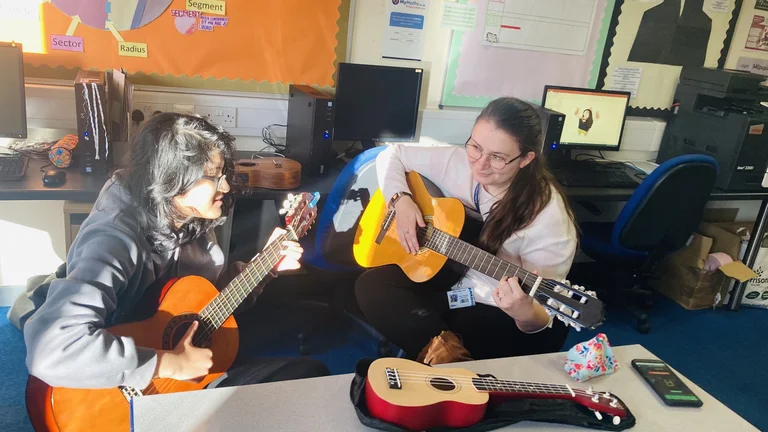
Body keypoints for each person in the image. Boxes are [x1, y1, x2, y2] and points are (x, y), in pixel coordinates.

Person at [21, 113, 328, 391]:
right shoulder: (114, 240)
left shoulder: (187, 214)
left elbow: (199, 303)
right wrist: (170, 364)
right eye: (213, 176)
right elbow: (49, 352)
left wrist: (266, 265)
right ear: (171, 180)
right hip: (114, 390)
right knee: (306, 377)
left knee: (313, 348)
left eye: (223, 173)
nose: (225, 187)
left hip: (168, 355)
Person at [355, 97, 577, 363]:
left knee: (468, 327)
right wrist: (400, 200)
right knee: (370, 285)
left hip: (495, 304)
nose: (480, 164)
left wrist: (524, 311)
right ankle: (443, 355)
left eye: (497, 158)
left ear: (526, 159)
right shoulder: (457, 160)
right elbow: (392, 154)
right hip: (452, 271)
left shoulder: (547, 217)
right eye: (475, 147)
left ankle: (444, 359)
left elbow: (544, 317)